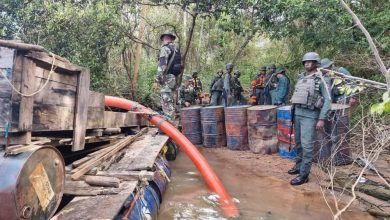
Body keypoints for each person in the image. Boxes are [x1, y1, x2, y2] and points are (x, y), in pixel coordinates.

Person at [289, 52, 331, 185]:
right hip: (298, 114)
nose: (307, 63)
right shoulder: (301, 78)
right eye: (305, 61)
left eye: (310, 61)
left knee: (307, 146)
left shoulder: (322, 79)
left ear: (316, 63)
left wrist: (322, 118)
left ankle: (304, 174)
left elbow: (328, 101)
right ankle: (298, 165)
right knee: (299, 144)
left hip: (310, 116)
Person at [155, 31, 182, 120]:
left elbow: (162, 65)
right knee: (172, 105)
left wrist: (157, 79)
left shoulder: (165, 49)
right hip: (174, 80)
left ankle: (168, 129)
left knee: (167, 105)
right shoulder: (176, 50)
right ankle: (173, 127)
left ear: (164, 39)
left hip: (167, 80)